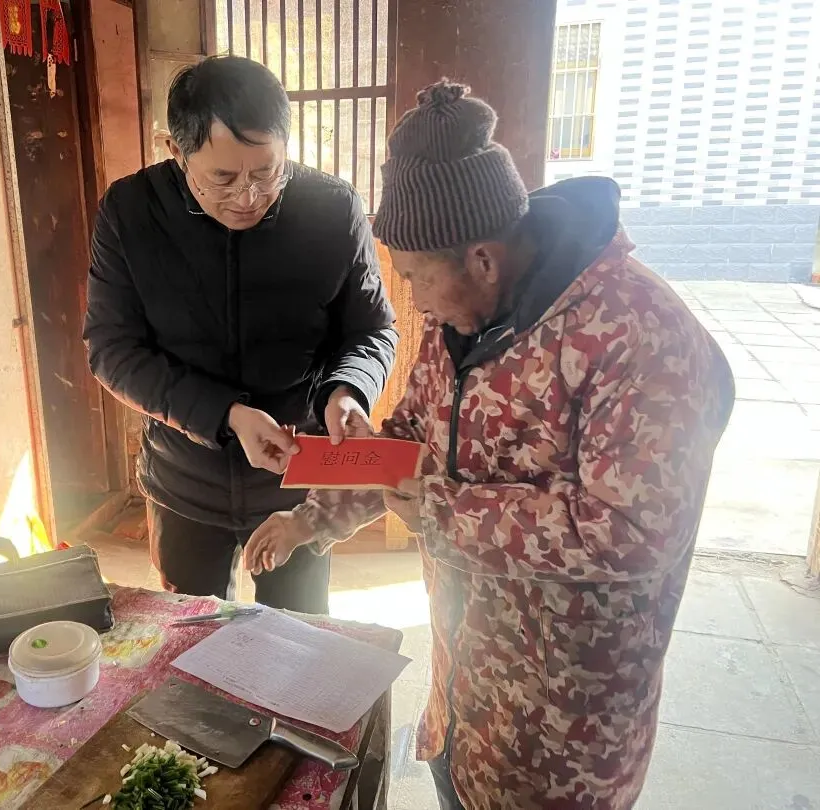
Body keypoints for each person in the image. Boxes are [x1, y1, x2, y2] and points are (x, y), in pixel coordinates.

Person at [244, 81, 735, 809]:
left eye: (416, 278)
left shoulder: (638, 335)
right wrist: (310, 517)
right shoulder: (460, 323)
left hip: (565, 730)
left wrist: (442, 511)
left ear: (482, 259)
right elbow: (409, 439)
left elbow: (633, 531)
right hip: (463, 692)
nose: (413, 300)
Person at [83, 56, 397, 615]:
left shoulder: (332, 209)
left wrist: (348, 391)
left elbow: (371, 329)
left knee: (299, 635)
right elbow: (111, 349)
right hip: (185, 477)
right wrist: (225, 415)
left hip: (298, 477)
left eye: (267, 171)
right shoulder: (131, 212)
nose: (249, 197)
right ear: (175, 152)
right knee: (193, 632)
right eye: (223, 179)